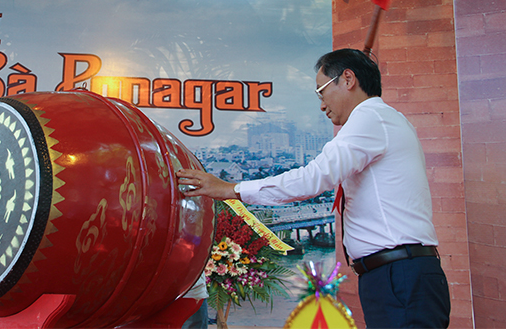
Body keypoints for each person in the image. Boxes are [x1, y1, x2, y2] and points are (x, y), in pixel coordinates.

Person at [177, 48, 451, 328]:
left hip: (399, 275)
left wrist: (232, 189)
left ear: (348, 79)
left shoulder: (371, 118)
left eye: (321, 92)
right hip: (395, 275)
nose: (321, 105)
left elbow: (314, 178)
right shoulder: (382, 120)